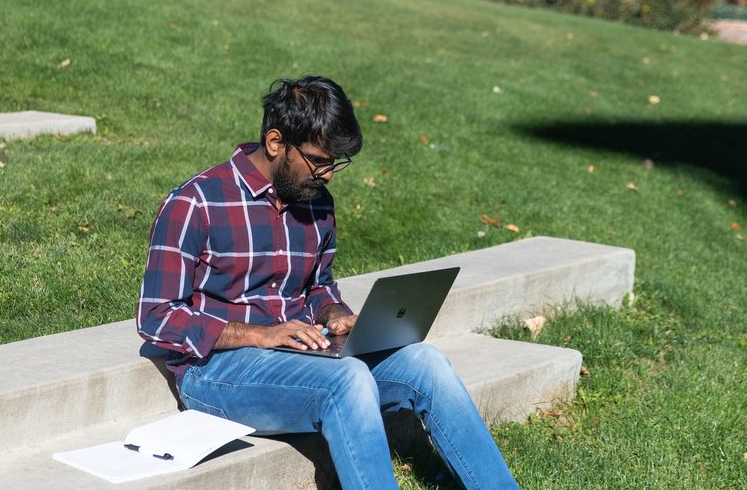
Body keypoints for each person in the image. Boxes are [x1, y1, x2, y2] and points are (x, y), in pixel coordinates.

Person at [137, 76, 519, 490]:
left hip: (307, 353)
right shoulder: (196, 203)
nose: (328, 175)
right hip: (218, 373)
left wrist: (336, 314)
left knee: (426, 363)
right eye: (319, 160)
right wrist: (258, 335)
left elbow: (318, 285)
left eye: (334, 162)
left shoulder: (316, 200)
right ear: (275, 142)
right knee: (349, 379)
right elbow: (157, 317)